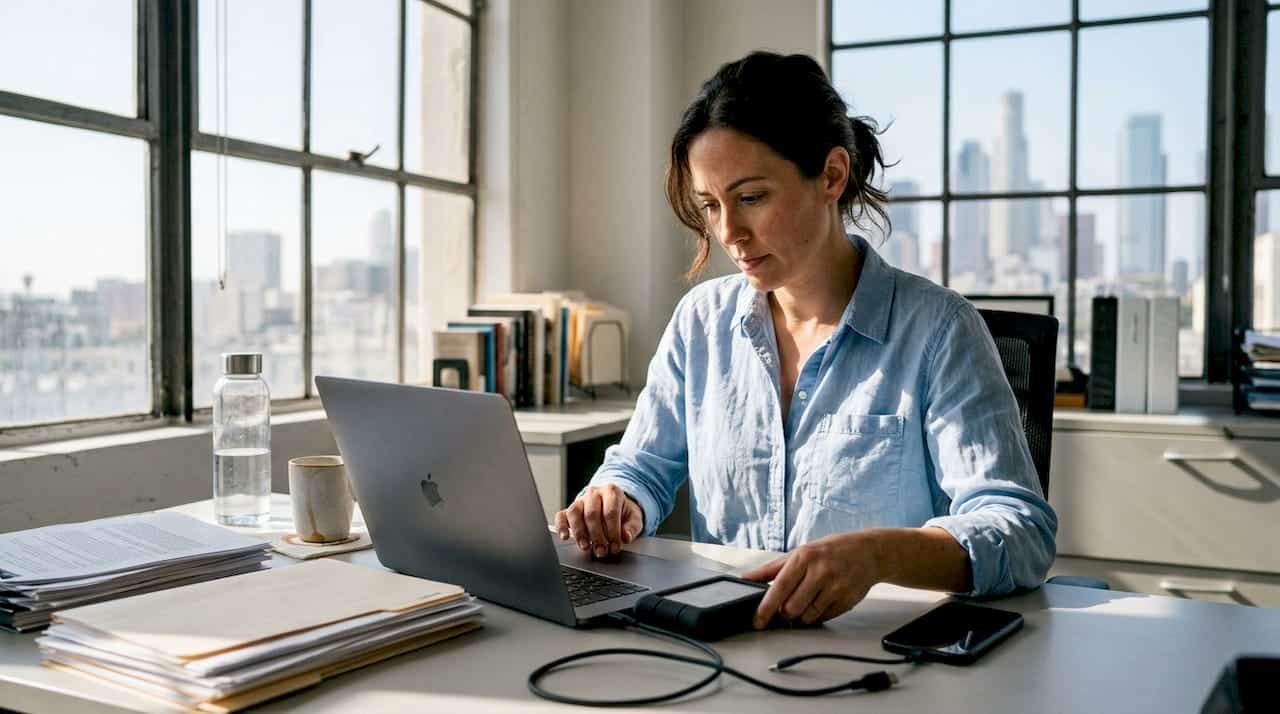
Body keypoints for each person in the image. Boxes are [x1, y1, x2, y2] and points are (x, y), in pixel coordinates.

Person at [554, 51, 1057, 630]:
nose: (728, 233)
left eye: (751, 198)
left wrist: (879, 555)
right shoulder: (701, 321)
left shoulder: (939, 330)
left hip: (881, 656)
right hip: (726, 646)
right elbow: (642, 467)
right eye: (710, 206)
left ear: (832, 175)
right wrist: (615, 499)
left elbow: (1018, 528)